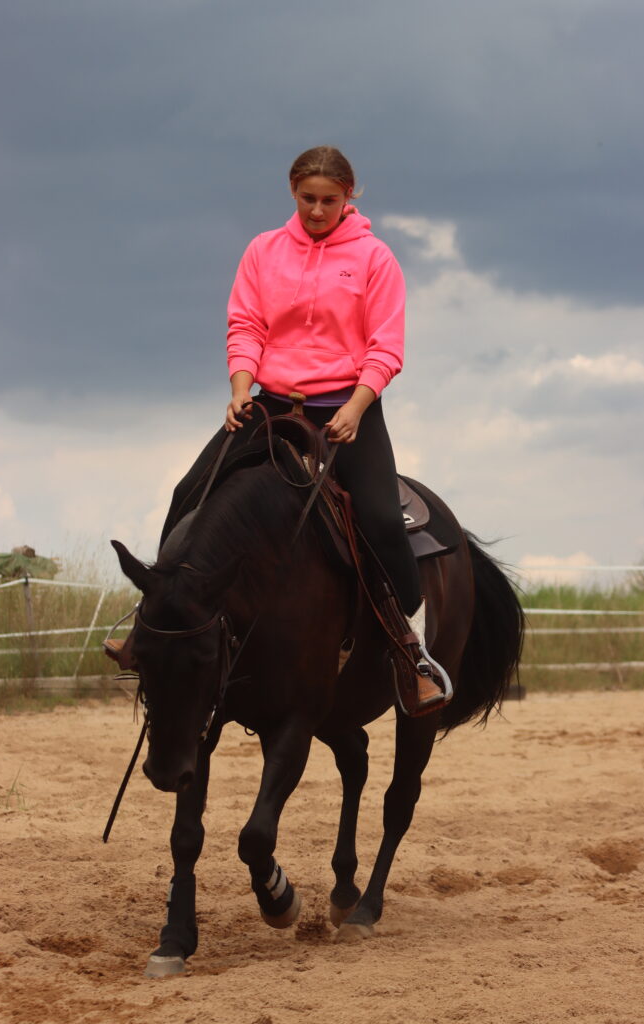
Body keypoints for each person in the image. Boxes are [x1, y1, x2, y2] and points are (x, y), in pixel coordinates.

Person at [113, 146, 450, 715]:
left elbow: (386, 347)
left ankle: (410, 652)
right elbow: (245, 324)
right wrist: (241, 390)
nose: (318, 210)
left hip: (348, 409)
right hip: (270, 403)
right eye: (307, 199)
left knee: (379, 519)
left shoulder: (375, 258)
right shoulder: (263, 251)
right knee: (187, 493)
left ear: (350, 197)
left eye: (330, 200)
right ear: (292, 192)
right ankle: (154, 624)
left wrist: (358, 404)